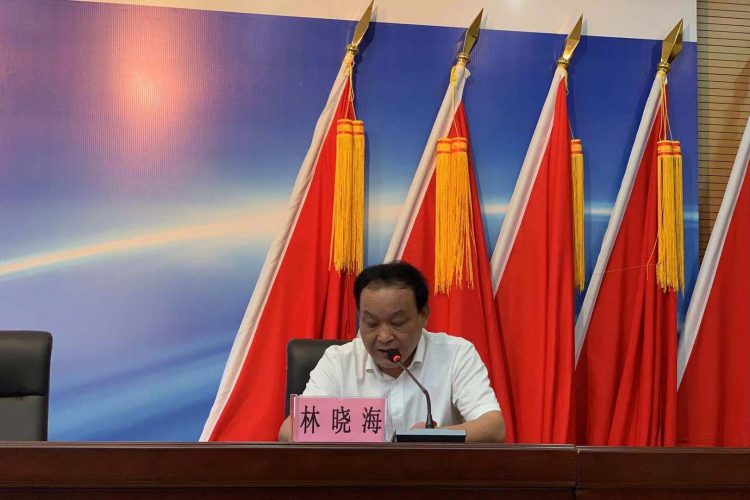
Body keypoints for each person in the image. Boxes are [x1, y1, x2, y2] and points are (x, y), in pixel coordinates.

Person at [278, 261, 505, 442]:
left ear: (424, 314)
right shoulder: (339, 361)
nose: (384, 336)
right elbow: (288, 431)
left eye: (397, 323)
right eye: (371, 323)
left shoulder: (455, 354)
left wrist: (435, 437)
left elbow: (493, 427)